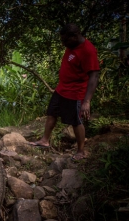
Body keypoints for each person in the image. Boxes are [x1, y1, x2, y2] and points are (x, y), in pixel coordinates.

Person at [29, 23, 100, 161]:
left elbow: (94, 76)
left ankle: (81, 151)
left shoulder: (88, 50)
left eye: (65, 40)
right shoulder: (71, 46)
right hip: (62, 89)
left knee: (76, 121)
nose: (63, 44)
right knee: (51, 113)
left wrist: (87, 101)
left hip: (75, 92)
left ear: (75, 36)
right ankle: (45, 140)